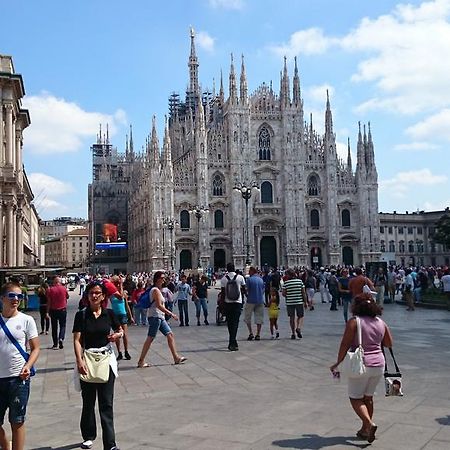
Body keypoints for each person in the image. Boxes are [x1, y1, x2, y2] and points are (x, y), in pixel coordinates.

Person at [330, 293, 393, 443]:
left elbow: (344, 344)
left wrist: (338, 362)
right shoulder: (380, 322)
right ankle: (365, 430)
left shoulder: (354, 322)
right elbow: (389, 343)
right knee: (368, 397)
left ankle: (369, 424)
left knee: (355, 398)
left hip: (361, 365)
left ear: (356, 306)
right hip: (379, 364)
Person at [72, 280, 123, 450]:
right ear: (87, 296)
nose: (94, 295)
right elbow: (77, 340)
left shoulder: (109, 313)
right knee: (88, 402)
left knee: (106, 403)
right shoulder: (81, 315)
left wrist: (118, 335)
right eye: (91, 293)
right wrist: (79, 360)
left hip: (105, 360)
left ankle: (110, 444)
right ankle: (88, 436)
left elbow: (120, 330)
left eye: (97, 293)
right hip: (87, 359)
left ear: (103, 296)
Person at [0, 281, 40, 450]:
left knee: (17, 421)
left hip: (18, 379)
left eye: (19, 296)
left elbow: (36, 348)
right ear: (2, 298)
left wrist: (28, 366)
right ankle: (6, 446)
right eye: (12, 296)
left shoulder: (26, 320)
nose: (16, 299)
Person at [137, 271, 186, 367]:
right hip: (155, 317)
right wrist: (171, 314)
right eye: (162, 277)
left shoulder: (158, 290)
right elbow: (159, 305)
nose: (164, 279)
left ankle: (176, 357)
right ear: (158, 279)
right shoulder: (155, 290)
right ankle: (141, 361)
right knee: (150, 338)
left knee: (170, 335)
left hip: (160, 317)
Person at [220, 263, 247, 351]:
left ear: (227, 269)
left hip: (228, 303)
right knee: (235, 322)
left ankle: (232, 341)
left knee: (230, 323)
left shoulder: (224, 279)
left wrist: (222, 305)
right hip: (237, 302)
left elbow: (223, 293)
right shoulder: (240, 277)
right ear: (234, 268)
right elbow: (244, 290)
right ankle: (233, 341)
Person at [109, 276, 134, 360]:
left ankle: (126, 351)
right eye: (116, 284)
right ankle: (119, 352)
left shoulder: (123, 293)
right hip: (115, 315)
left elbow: (126, 304)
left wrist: (130, 316)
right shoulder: (112, 294)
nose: (118, 286)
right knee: (117, 334)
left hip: (123, 314)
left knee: (124, 334)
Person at [282, 269, 307, 339]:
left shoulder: (286, 283)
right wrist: (305, 302)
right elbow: (303, 293)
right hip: (299, 301)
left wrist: (289, 294)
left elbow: (283, 294)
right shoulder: (300, 282)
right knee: (300, 316)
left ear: (288, 275)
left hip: (290, 302)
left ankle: (293, 333)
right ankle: (298, 328)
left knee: (292, 318)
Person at [46, 276, 69, 350]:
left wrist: (47, 312)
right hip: (62, 310)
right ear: (59, 282)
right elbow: (67, 296)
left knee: (54, 327)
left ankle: (55, 344)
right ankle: (61, 338)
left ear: (54, 282)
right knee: (63, 326)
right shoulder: (64, 288)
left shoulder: (50, 290)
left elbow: (49, 302)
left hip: (53, 310)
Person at [244, 267, 265, 341]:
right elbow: (263, 290)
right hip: (260, 301)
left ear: (252, 271)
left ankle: (251, 333)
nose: (248, 272)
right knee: (259, 318)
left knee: (247, 317)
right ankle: (258, 334)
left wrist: (247, 295)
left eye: (249, 271)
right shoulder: (261, 279)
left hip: (250, 300)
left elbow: (246, 290)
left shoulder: (249, 280)